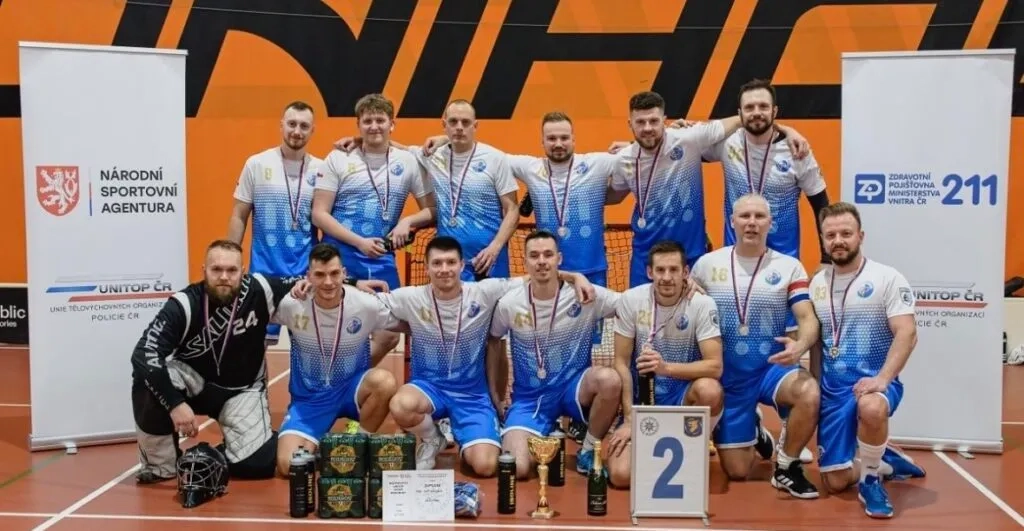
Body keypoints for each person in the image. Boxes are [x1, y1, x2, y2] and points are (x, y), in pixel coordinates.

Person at [380, 236, 593, 477]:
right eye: (437, 263)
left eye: (451, 262)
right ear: (426, 267)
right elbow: (366, 302)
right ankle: (432, 438)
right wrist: (355, 282)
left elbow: (537, 275)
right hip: (430, 388)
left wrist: (575, 277)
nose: (444, 269)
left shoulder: (484, 292)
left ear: (462, 265)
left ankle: (472, 437)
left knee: (487, 466)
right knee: (401, 404)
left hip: (472, 397)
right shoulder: (410, 297)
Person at [701, 79, 828, 464]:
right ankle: (746, 419)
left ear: (775, 112)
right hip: (734, 269)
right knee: (733, 345)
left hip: (780, 267)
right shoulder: (728, 143)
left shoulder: (797, 150)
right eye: (749, 107)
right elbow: (685, 145)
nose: (756, 113)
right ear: (739, 113)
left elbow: (821, 202)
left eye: (763, 107)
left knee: (787, 346)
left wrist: (824, 256)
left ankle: (791, 429)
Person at [130, 240, 307, 483]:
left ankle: (212, 456)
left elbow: (316, 282)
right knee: (147, 380)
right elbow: (144, 353)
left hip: (241, 390)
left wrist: (354, 283)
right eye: (216, 270)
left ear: (242, 271)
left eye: (231, 270)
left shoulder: (261, 289)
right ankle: (162, 465)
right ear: (204, 270)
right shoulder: (184, 304)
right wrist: (174, 404)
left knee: (258, 464)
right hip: (192, 381)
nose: (224, 277)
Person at [605, 91, 811, 288]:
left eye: (653, 121)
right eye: (640, 122)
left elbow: (746, 118)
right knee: (641, 313)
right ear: (630, 124)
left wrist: (786, 130)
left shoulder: (689, 139)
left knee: (695, 313)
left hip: (691, 256)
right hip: (645, 257)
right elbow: (615, 195)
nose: (647, 127)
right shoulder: (623, 159)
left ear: (664, 121)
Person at [689, 194, 821, 499]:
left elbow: (807, 317)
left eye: (759, 217)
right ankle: (756, 429)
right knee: (738, 471)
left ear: (770, 223)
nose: (752, 223)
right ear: (732, 221)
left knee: (809, 391)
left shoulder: (789, 266)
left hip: (771, 368)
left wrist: (800, 345)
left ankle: (787, 466)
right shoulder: (706, 265)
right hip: (728, 376)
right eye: (745, 216)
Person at [810, 202, 925, 518]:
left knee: (871, 407)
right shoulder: (817, 283)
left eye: (846, 233)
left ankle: (871, 479)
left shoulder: (887, 278)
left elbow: (907, 333)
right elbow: (818, 343)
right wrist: (814, 386)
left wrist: (883, 379)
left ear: (860, 236)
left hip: (873, 383)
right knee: (834, 482)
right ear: (823, 240)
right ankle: (883, 461)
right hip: (833, 391)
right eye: (830, 235)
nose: (838, 241)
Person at [313, 93, 437, 369]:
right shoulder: (338, 158)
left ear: (392, 124)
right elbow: (319, 213)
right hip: (339, 255)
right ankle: (339, 384)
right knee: (336, 326)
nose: (374, 126)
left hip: (380, 256)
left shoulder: (408, 161)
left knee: (390, 333)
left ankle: (344, 377)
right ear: (358, 124)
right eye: (367, 121)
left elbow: (432, 210)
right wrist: (359, 242)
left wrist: (408, 222)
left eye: (380, 120)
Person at [489, 230, 622, 478]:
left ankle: (588, 450)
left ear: (559, 259)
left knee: (609, 380)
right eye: (534, 256)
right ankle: (542, 432)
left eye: (548, 254)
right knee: (517, 468)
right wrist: (495, 394)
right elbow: (494, 340)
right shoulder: (510, 303)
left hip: (573, 389)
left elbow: (631, 303)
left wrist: (686, 286)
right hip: (530, 399)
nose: (541, 261)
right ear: (525, 261)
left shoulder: (585, 294)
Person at [272, 243, 403, 476]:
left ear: (344, 273)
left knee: (384, 382)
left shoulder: (365, 303)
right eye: (320, 275)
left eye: (334, 274)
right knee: (287, 465)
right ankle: (326, 449)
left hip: (350, 390)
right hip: (310, 400)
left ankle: (357, 447)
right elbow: (256, 307)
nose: (328, 282)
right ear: (308, 276)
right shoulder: (292, 304)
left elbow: (404, 322)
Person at [604, 240, 724, 488]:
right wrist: (630, 419)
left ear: (686, 272)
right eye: (660, 270)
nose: (667, 277)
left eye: (673, 270)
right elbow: (621, 363)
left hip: (682, 399)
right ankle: (656, 451)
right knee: (621, 476)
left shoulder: (702, 304)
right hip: (641, 402)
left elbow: (715, 366)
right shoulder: (631, 300)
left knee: (710, 390)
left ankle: (698, 440)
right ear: (650, 272)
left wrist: (665, 368)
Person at [227, 101, 323, 345]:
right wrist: (230, 260)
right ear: (281, 125)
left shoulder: (322, 170)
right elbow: (239, 215)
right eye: (292, 124)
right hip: (263, 273)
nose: (297, 131)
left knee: (306, 346)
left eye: (304, 126)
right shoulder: (257, 164)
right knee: (255, 346)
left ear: (313, 130)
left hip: (305, 276)